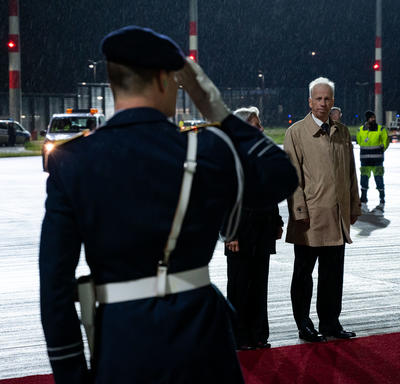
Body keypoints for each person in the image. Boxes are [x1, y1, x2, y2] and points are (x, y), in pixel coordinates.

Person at [39, 26, 298, 383]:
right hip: (202, 343)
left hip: (123, 344)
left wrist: (72, 376)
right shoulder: (205, 150)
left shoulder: (73, 162)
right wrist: (219, 112)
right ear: (165, 79)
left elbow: (54, 285)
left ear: (114, 84)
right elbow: (281, 176)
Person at [284, 77, 361, 343]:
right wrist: (299, 212)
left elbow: (350, 172)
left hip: (337, 217)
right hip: (310, 219)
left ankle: (330, 323)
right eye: (318, 98)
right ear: (309, 101)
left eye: (327, 98)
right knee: (303, 275)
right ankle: (304, 324)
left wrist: (354, 204)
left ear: (332, 102)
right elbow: (291, 178)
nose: (323, 103)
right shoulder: (295, 133)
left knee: (332, 275)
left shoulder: (342, 131)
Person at [225, 106, 283, 350]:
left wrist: (278, 222)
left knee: (259, 285)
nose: (261, 128)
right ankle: (239, 336)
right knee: (240, 287)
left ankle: (259, 334)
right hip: (241, 231)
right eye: (256, 124)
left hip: (263, 229)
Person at [356, 110, 389, 215]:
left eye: (374, 117)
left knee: (379, 181)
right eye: (371, 118)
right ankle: (364, 202)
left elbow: (386, 142)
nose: (373, 119)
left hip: (377, 161)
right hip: (365, 161)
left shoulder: (381, 129)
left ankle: (382, 201)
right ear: (367, 119)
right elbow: (360, 142)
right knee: (364, 182)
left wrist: (380, 151)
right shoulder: (360, 130)